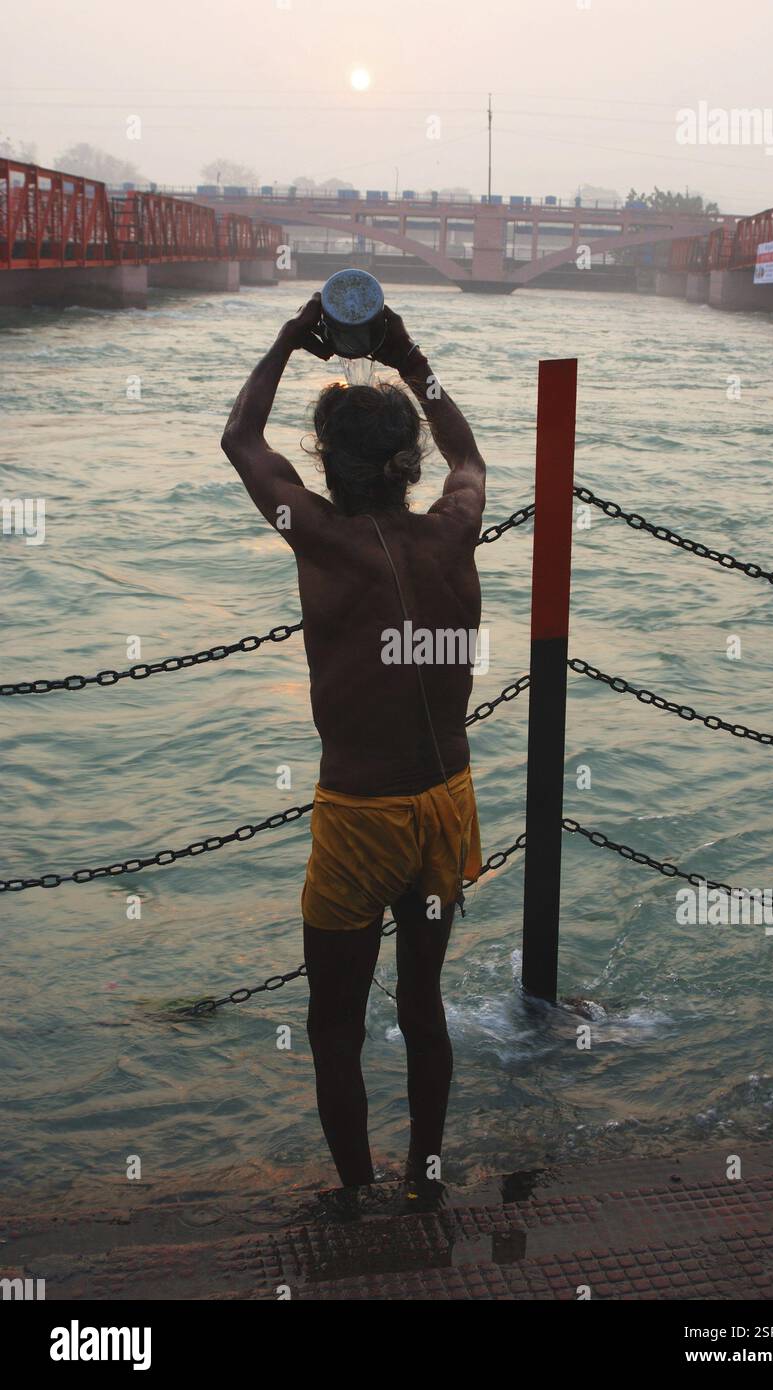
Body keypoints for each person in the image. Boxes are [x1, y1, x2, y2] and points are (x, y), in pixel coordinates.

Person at [221, 293, 486, 1197]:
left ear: (329, 464)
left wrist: (289, 340)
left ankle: (356, 1196)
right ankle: (425, 1177)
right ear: (407, 465)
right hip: (445, 804)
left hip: (363, 816)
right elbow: (472, 456)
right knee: (423, 1005)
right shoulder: (454, 529)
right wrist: (414, 363)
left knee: (334, 1023)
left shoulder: (322, 539)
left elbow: (242, 442)